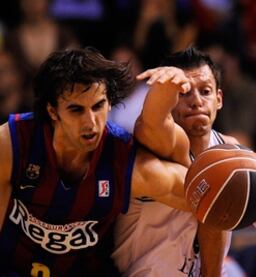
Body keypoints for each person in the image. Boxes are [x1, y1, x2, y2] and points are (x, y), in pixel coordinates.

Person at [0, 47, 190, 276]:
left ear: (109, 103)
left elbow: (202, 196)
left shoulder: (123, 159)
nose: (91, 122)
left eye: (98, 106)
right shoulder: (12, 144)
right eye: (76, 110)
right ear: (52, 112)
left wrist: (241, 188)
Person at [112, 47, 256, 276]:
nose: (196, 101)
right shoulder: (160, 144)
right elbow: (152, 121)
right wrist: (163, 88)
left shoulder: (231, 152)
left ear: (218, 99)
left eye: (205, 91)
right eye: (185, 92)